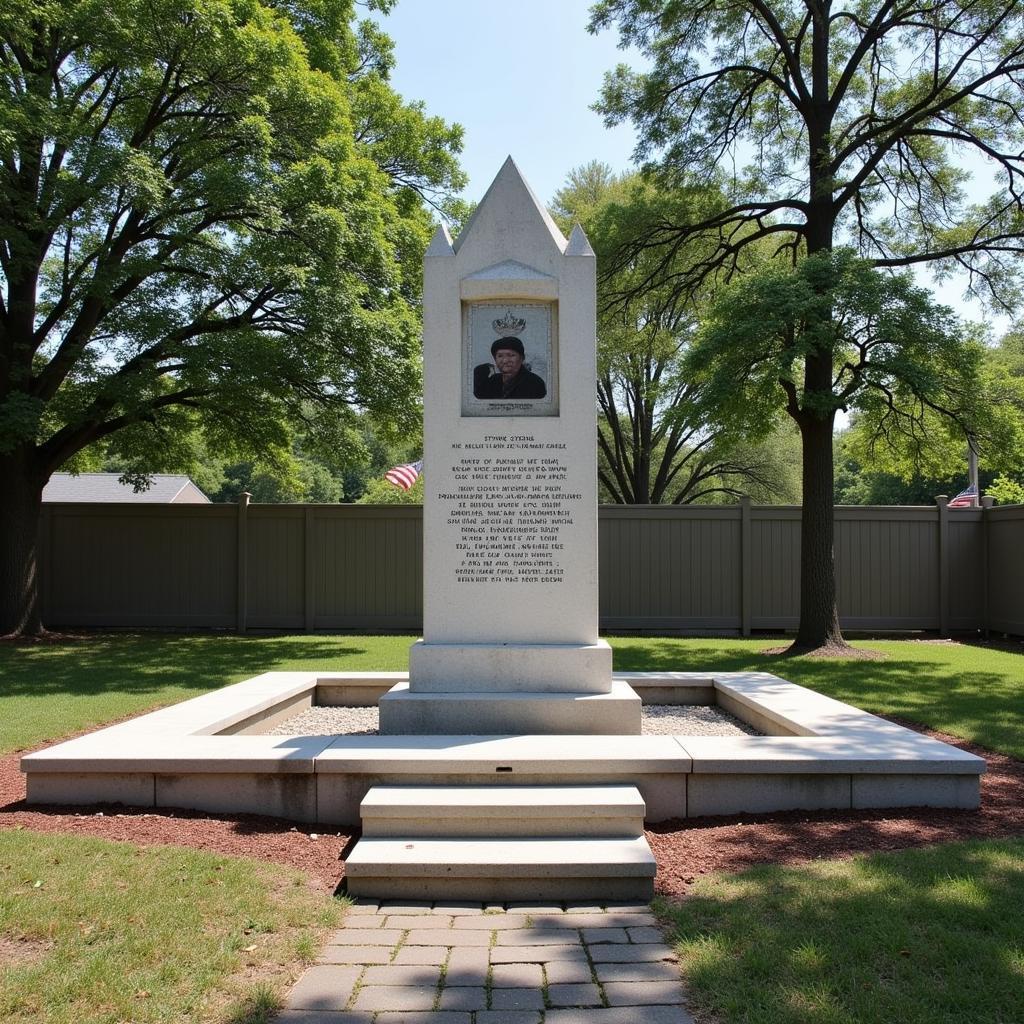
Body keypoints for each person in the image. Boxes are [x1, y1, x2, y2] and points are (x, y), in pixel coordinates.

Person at [473, 337, 546, 399]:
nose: (505, 360)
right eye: (500, 356)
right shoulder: (492, 381)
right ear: (495, 359)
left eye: (511, 355)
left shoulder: (535, 383)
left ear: (522, 358)